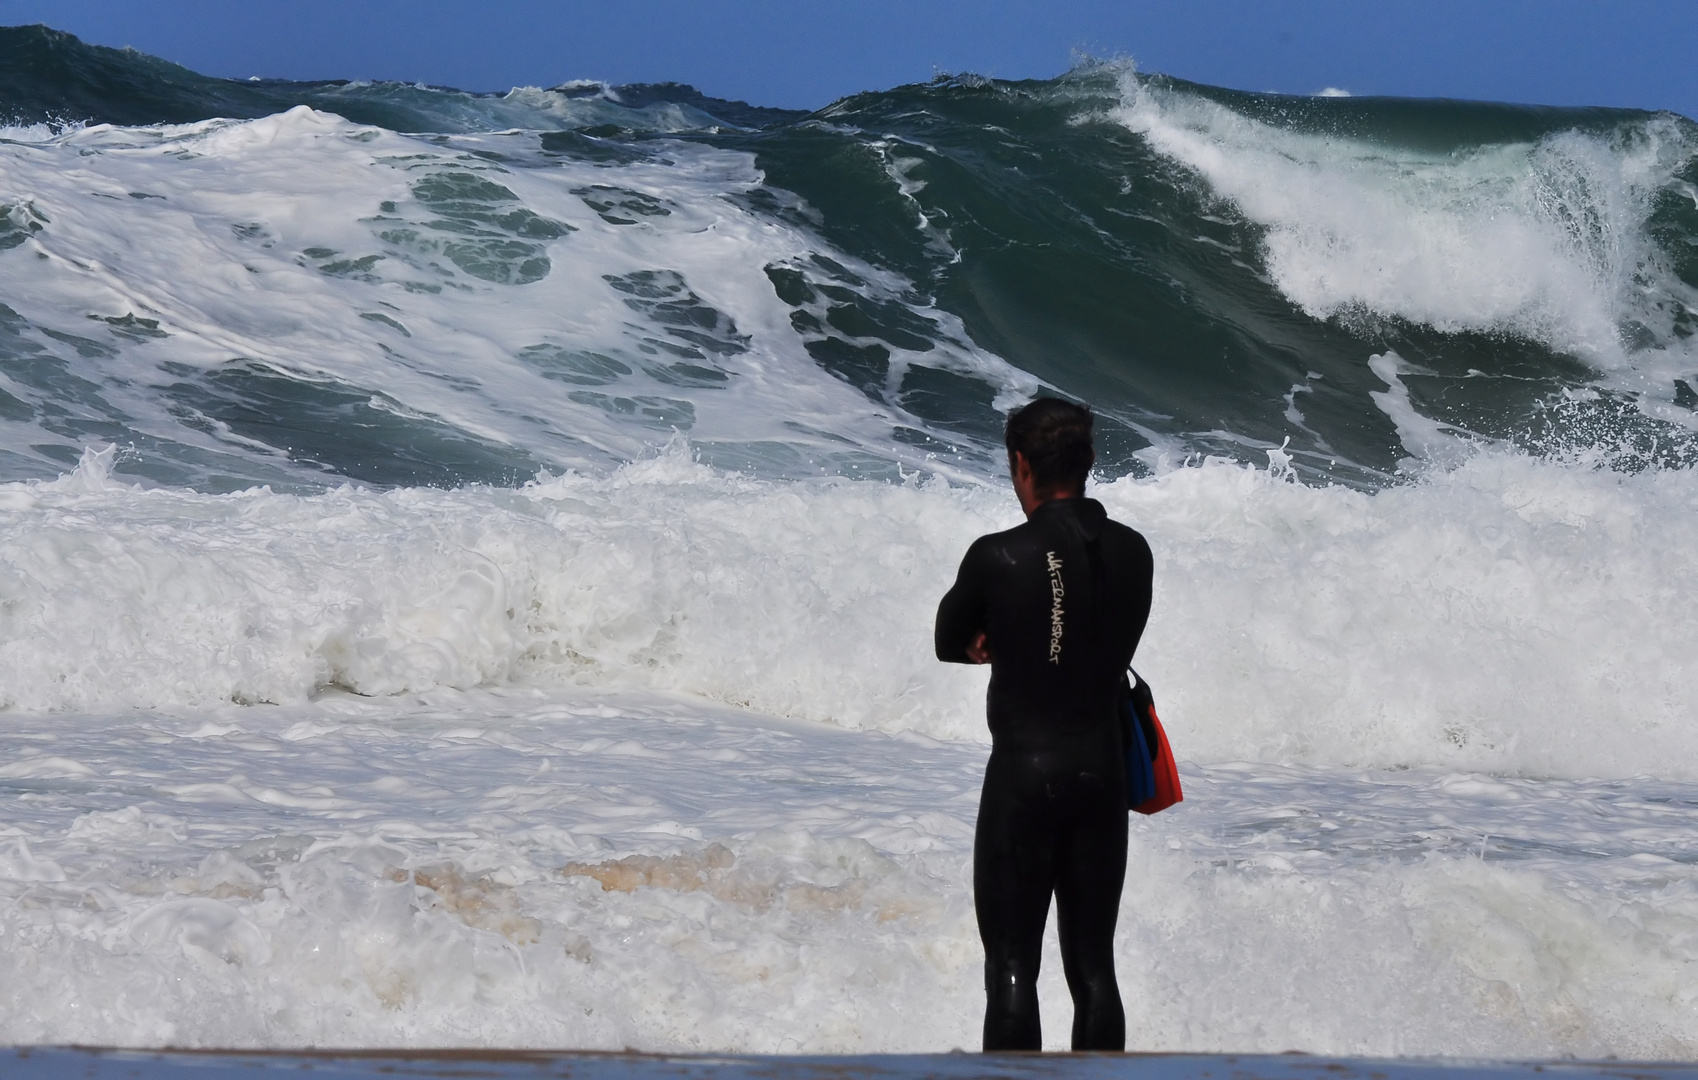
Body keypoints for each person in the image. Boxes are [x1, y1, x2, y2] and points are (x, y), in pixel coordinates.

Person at [934, 397, 1154, 1052]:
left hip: (1025, 777)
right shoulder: (1135, 553)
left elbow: (950, 638)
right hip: (1102, 775)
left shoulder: (998, 555)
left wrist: (1004, 635)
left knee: (1011, 969)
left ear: (1021, 465)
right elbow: (1095, 633)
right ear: (1085, 464)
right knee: (1093, 971)